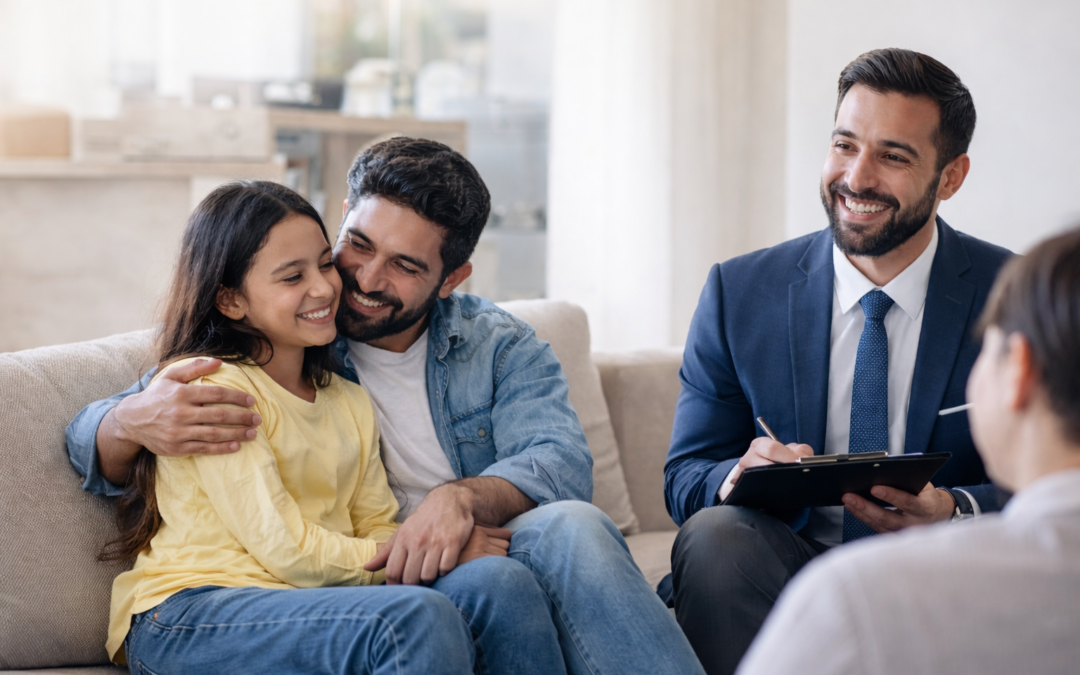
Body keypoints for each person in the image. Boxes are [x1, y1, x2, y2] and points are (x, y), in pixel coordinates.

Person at [69, 138, 704, 675]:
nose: (363, 281)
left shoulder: (493, 345)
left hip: (445, 543)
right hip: (364, 570)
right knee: (493, 586)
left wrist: (455, 501)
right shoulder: (288, 333)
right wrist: (128, 421)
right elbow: (104, 429)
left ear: (452, 278)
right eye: (358, 245)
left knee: (575, 526)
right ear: (342, 219)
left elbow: (560, 462)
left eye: (404, 265)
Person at [662, 48, 1012, 674]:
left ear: (951, 177)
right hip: (785, 566)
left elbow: (1061, 483)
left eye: (893, 156)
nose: (857, 177)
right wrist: (736, 475)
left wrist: (953, 508)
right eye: (845, 145)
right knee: (715, 538)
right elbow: (685, 475)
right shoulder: (738, 292)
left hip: (948, 575)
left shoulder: (1015, 295)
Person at [104, 180, 476, 674]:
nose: (323, 288)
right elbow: (286, 547)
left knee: (474, 593)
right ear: (231, 300)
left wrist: (410, 550)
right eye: (291, 277)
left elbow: (376, 522)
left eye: (325, 263)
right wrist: (414, 553)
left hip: (297, 603)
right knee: (410, 618)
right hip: (186, 612)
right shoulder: (215, 389)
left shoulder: (348, 400)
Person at [738, 225, 1080, 675]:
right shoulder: (742, 288)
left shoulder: (854, 600)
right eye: (843, 146)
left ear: (1018, 370)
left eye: (987, 351)